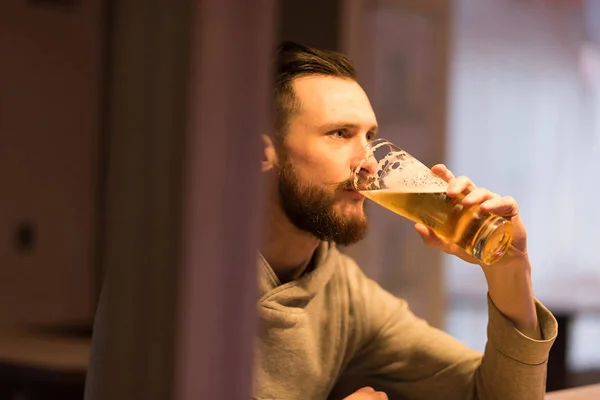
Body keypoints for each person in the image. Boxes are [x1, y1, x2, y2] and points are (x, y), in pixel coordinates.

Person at [253, 41, 557, 400]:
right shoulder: (188, 283)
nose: (369, 162)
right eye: (340, 134)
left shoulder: (342, 292)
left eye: (369, 137)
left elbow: (491, 395)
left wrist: (508, 267)